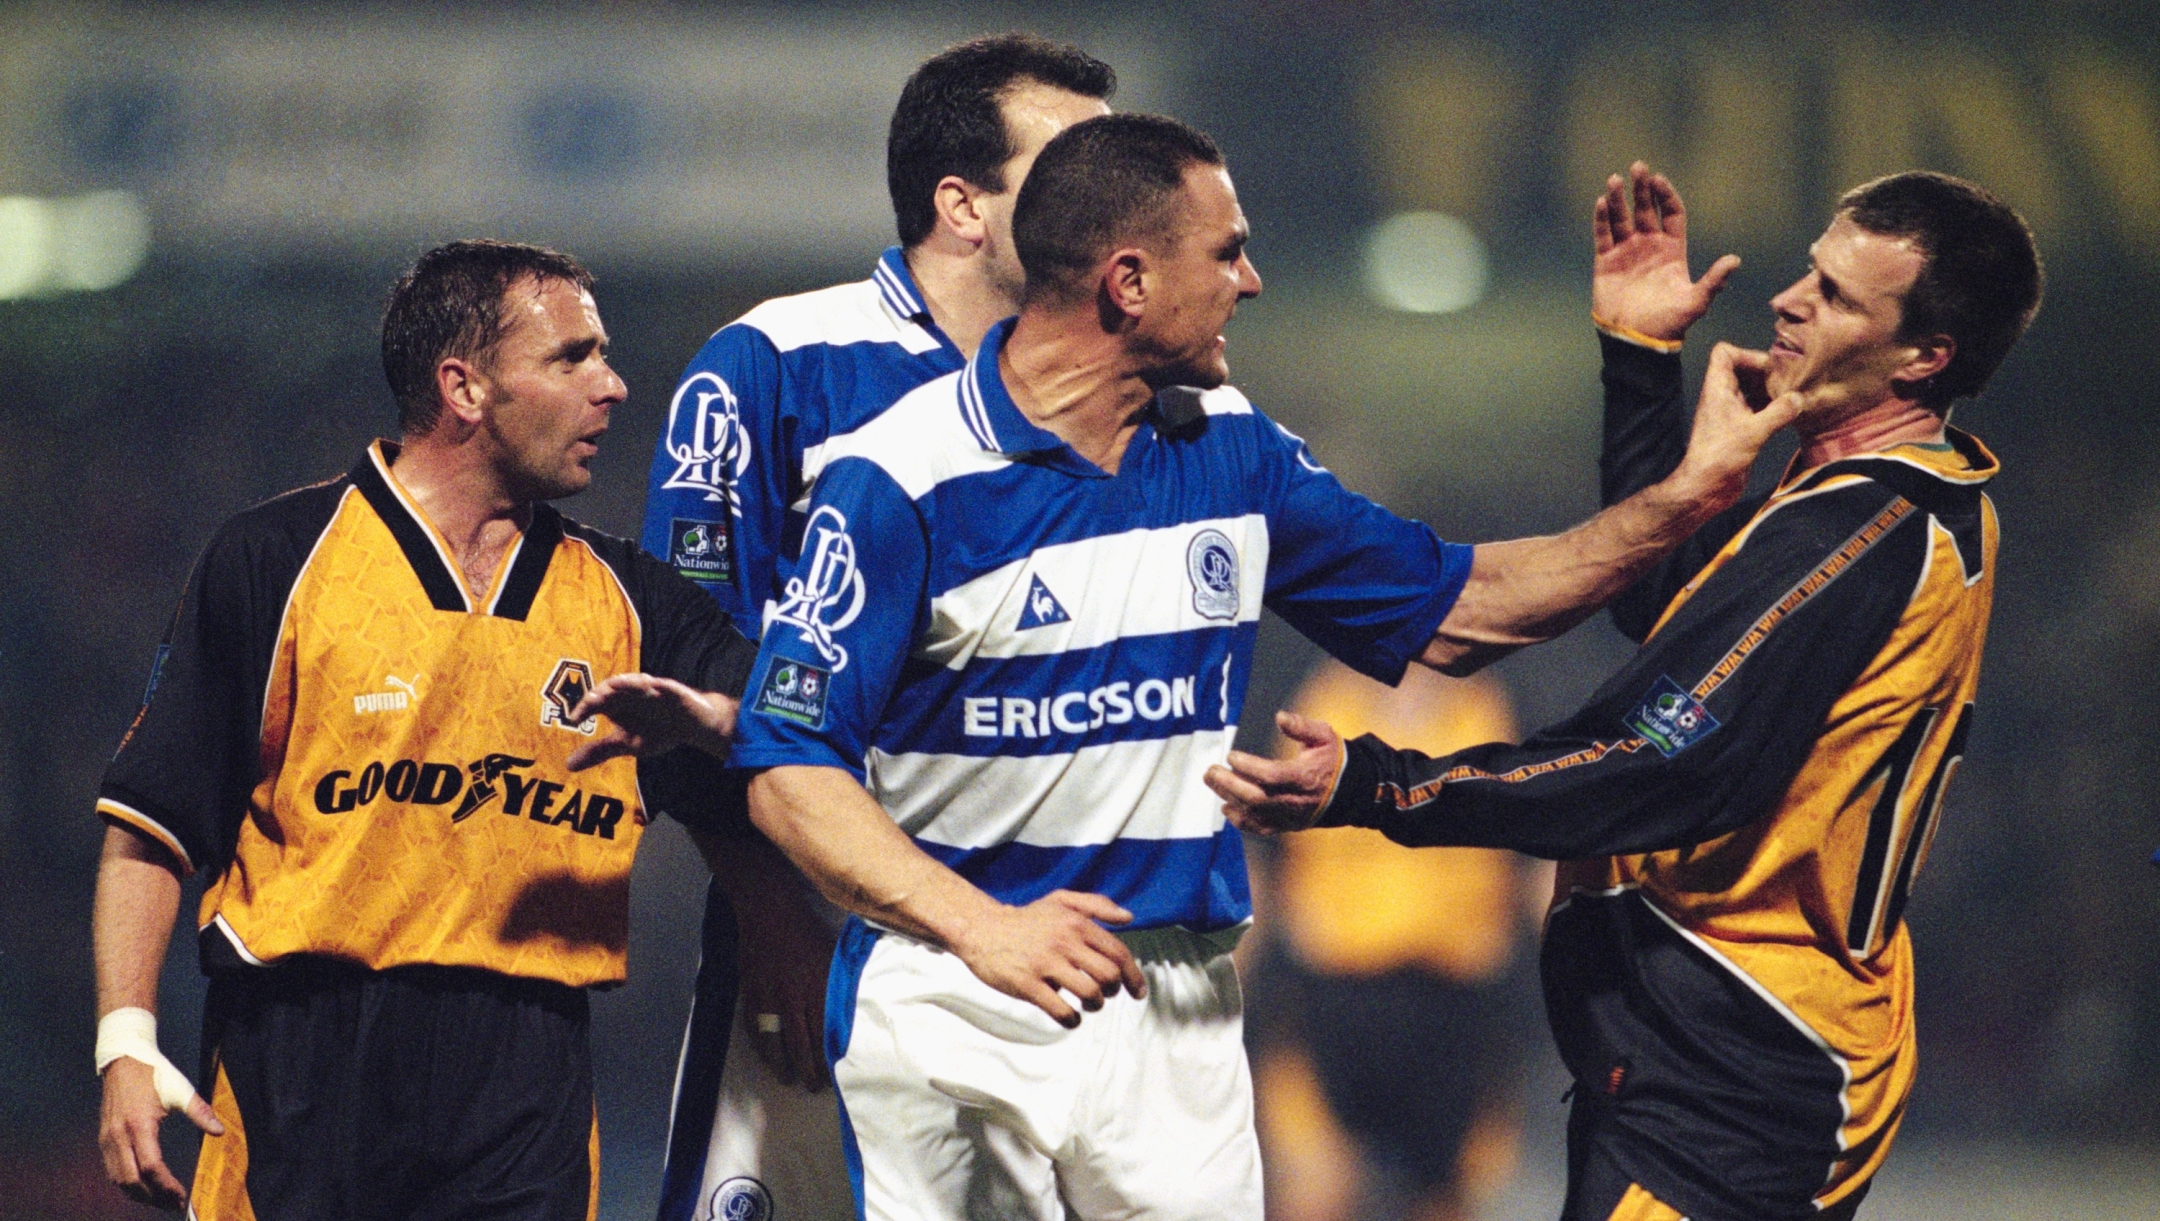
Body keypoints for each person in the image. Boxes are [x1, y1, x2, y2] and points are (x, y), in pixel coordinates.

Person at [584, 114, 1791, 1220]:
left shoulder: (1230, 449)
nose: (1251, 281)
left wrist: (1686, 497)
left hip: (1181, 1013)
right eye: (1229, 252)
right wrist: (979, 928)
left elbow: (1464, 606)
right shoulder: (898, 480)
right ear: (1128, 281)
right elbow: (789, 762)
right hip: (953, 991)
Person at [1205, 165, 2043, 1221]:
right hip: (1708, 1050)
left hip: (1732, 1065)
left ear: (1926, 357)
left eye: (1834, 296)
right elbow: (1669, 609)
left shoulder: (1857, 533)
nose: (1786, 299)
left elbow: (1660, 757)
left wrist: (1381, 789)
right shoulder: (1866, 498)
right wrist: (1642, 366)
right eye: (1808, 273)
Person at [92, 241, 760, 1220]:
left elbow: (797, 721)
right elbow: (150, 824)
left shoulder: (630, 602)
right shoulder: (274, 562)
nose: (612, 386)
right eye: (571, 358)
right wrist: (124, 1041)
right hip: (298, 1061)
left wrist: (714, 717)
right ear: (465, 387)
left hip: (526, 1069)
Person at [633, 33, 1115, 1221]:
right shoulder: (772, 363)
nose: (1109, 195)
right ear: (961, 205)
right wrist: (768, 910)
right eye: (1071, 164)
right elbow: (684, 652)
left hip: (1062, 941)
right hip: (825, 931)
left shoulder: (1123, 390)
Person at [1246, 662, 1540, 1221]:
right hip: (1329, 999)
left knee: (1445, 1202)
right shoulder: (1308, 699)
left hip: (1459, 1006)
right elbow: (1259, 862)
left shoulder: (1499, 707)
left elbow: (1542, 865)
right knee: (1315, 1194)